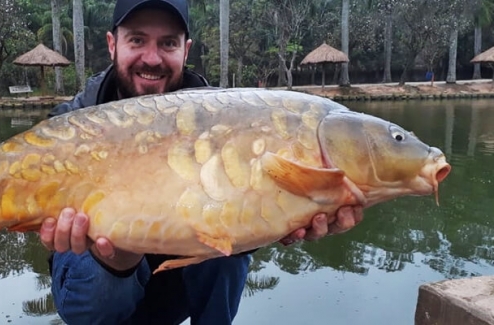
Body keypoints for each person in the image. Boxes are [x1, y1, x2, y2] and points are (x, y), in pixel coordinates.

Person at [40, 0, 364, 324]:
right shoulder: (70, 123)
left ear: (186, 50)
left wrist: (293, 211)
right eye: (137, 40)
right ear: (113, 44)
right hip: (97, 293)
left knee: (227, 247)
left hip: (178, 288)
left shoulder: (222, 118)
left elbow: (252, 210)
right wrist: (118, 247)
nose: (152, 58)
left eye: (168, 43)